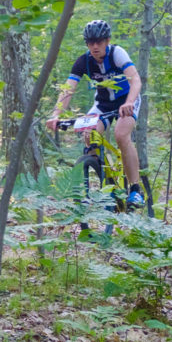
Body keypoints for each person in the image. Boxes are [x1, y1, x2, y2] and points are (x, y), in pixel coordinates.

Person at [46, 19, 145, 206]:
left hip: (126, 100)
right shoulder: (84, 61)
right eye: (90, 42)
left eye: (99, 41)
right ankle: (101, 180)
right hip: (103, 104)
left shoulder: (117, 54)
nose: (95, 46)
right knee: (89, 134)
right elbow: (68, 89)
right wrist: (56, 114)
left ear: (107, 40)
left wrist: (130, 102)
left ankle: (135, 189)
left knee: (121, 135)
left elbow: (136, 80)